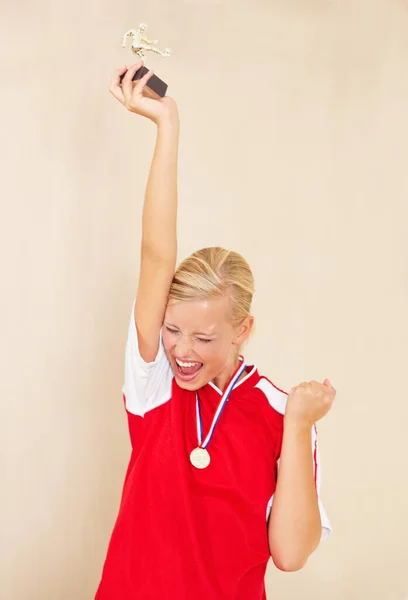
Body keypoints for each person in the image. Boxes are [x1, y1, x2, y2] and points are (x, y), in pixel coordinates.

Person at [95, 60, 336, 600]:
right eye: (173, 329)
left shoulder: (281, 412)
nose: (181, 350)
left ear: (243, 329)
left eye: (203, 339)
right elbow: (157, 256)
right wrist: (167, 124)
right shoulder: (154, 380)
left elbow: (291, 555)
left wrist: (299, 426)